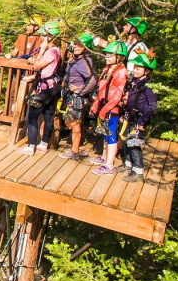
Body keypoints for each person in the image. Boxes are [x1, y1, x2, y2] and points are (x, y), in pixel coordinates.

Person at [21, 21, 62, 155]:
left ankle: (31, 145)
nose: (42, 39)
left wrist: (42, 50)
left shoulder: (51, 52)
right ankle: (43, 144)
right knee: (48, 115)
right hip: (51, 86)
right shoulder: (57, 51)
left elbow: (36, 66)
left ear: (50, 37)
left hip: (45, 89)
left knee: (33, 116)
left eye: (44, 36)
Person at [89, 40, 129, 176]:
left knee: (111, 134)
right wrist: (97, 105)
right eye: (106, 55)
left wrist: (104, 110)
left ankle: (109, 165)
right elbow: (102, 88)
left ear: (118, 57)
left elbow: (117, 96)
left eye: (110, 55)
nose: (107, 57)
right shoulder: (108, 69)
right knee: (105, 133)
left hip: (112, 108)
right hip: (104, 106)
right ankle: (104, 157)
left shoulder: (120, 72)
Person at [117, 51, 158, 182]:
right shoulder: (134, 82)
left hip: (139, 119)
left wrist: (141, 121)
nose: (134, 70)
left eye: (138, 68)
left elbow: (152, 106)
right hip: (131, 116)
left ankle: (138, 171)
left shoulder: (147, 87)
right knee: (127, 142)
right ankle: (128, 164)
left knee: (134, 144)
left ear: (146, 71)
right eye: (134, 67)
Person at [57, 33, 97, 160]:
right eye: (75, 44)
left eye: (79, 44)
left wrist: (80, 91)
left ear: (86, 46)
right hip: (70, 96)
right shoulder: (77, 59)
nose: (75, 46)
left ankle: (75, 151)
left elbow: (92, 80)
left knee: (74, 123)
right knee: (69, 122)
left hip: (77, 98)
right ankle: (77, 148)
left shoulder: (85, 61)